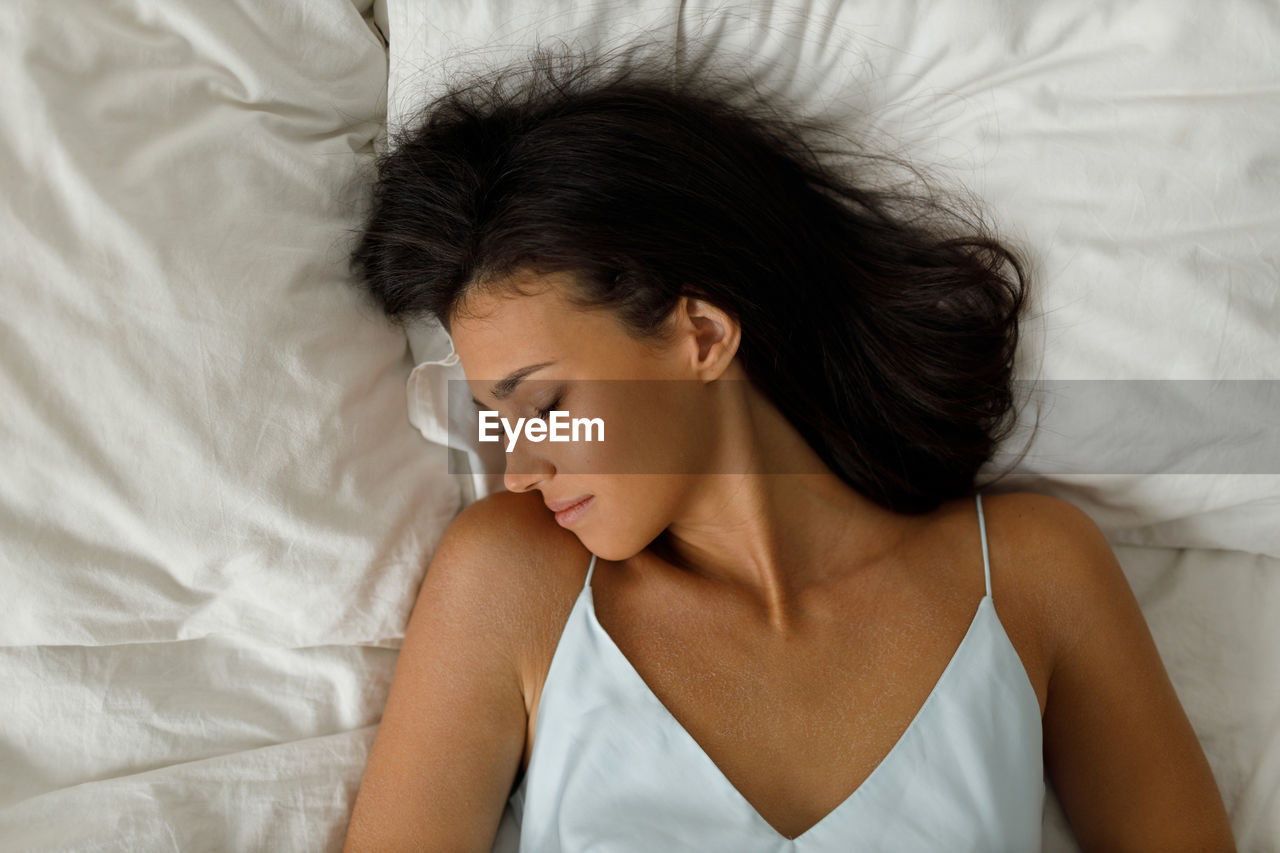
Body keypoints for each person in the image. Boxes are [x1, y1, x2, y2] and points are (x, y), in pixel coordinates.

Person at [341, 37, 1235, 852]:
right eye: (496, 424)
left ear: (699, 334)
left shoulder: (1035, 575)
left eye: (541, 405)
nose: (520, 469)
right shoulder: (514, 581)